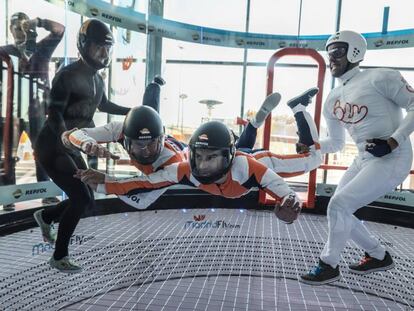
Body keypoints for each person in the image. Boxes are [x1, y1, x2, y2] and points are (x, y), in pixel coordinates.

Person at [67, 89, 320, 210]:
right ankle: (255, 121)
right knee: (240, 148)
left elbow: (283, 190)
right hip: (235, 162)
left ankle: (298, 107)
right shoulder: (187, 168)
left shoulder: (249, 166)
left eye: (211, 159)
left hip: (251, 163)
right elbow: (147, 183)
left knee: (312, 160)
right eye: (199, 157)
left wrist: (290, 204)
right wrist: (103, 181)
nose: (205, 165)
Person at [300, 30, 414, 285]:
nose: (332, 58)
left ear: (354, 52)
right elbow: (337, 143)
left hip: (394, 157)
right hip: (364, 159)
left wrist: (394, 140)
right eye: (328, 53)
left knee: (339, 205)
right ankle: (378, 255)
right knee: (340, 209)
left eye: (337, 51)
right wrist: (313, 146)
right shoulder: (332, 99)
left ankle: (328, 264)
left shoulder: (381, 77)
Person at [32, 19, 131, 273]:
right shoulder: (68, 74)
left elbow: (105, 106)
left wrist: (136, 111)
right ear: (84, 45)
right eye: (99, 47)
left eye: (108, 48)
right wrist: (68, 137)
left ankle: (47, 217)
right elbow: (54, 114)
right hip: (52, 146)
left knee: (85, 198)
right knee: (80, 197)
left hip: (72, 146)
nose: (104, 53)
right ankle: (58, 256)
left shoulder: (97, 80)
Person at [0, 12, 65, 210]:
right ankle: (8, 197)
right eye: (16, 26)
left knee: (43, 152)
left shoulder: (42, 47)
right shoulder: (4, 51)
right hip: (11, 112)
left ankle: (46, 193)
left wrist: (40, 22)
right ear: (10, 30)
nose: (20, 30)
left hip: (37, 110)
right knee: (7, 157)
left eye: (23, 26)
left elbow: (60, 29)